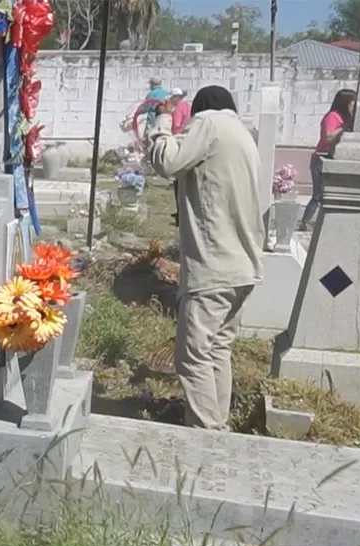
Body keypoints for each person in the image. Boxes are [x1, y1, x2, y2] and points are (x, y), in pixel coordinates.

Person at [148, 85, 264, 432]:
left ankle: (208, 435)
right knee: (217, 350)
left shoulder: (209, 123)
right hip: (243, 266)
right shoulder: (242, 134)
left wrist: (163, 121)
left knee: (192, 356)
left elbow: (168, 162)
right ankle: (218, 427)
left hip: (214, 265)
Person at [299, 89, 356, 230]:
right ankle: (305, 222)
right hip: (322, 158)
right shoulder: (332, 117)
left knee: (331, 196)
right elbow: (327, 137)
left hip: (337, 158)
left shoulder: (348, 118)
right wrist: (342, 129)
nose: (353, 107)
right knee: (318, 195)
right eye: (352, 104)